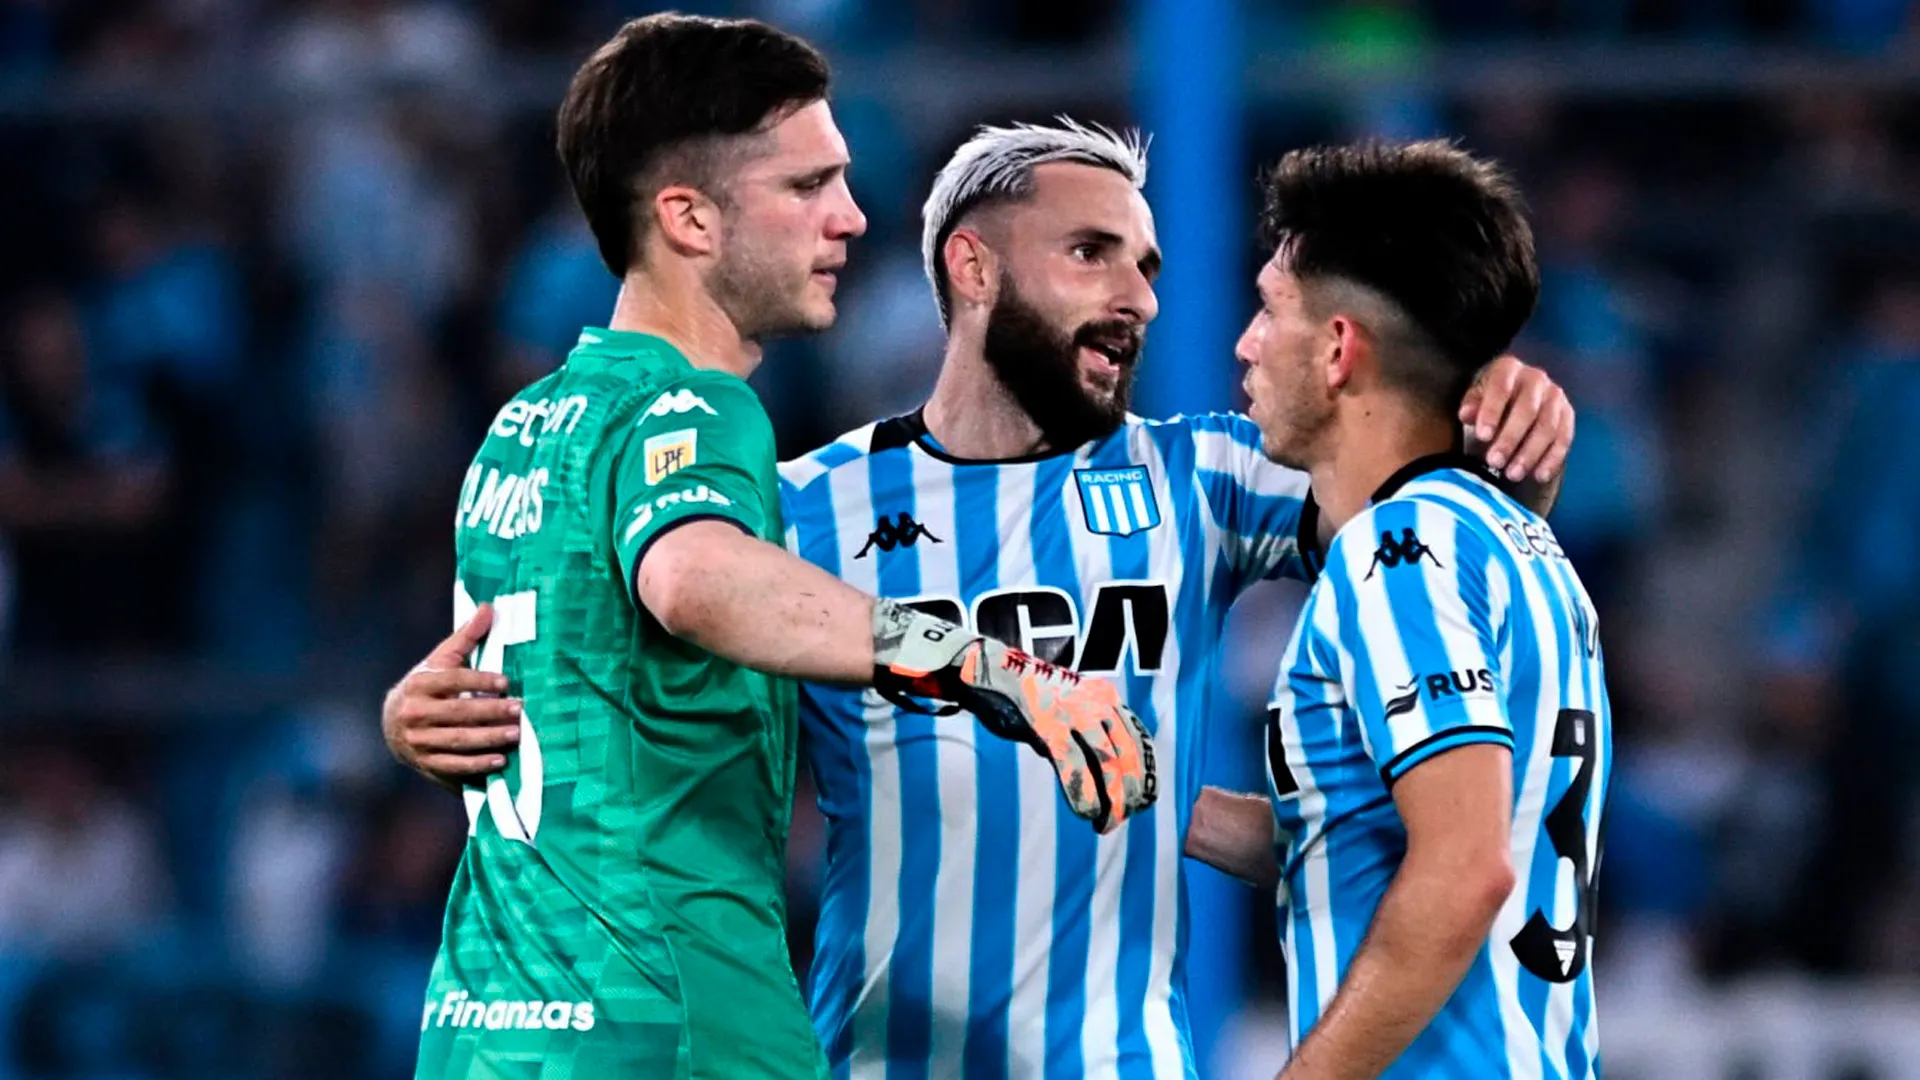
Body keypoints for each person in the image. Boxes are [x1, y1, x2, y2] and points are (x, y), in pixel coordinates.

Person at [388, 120, 1575, 1077]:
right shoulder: (803, 509)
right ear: (973, 267)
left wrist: (1496, 387)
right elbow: (611, 676)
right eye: (1092, 253)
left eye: (1149, 265)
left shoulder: (1203, 478)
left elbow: (1415, 490)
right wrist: (422, 718)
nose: (1140, 296)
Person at [402, 20, 1155, 1080]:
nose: (849, 217)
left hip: (489, 1026)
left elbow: (532, 721)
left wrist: (408, 726)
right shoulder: (698, 409)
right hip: (675, 1025)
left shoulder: (525, 429)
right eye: (808, 186)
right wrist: (996, 669)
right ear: (689, 217)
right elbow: (694, 578)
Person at [1185, 141, 1609, 1079]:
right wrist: (1155, 795)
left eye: (1269, 309)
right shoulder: (1517, 541)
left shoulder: (1395, 551)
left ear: (1339, 349)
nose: (1245, 343)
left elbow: (1465, 871)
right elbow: (1371, 837)